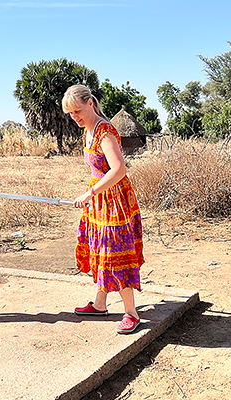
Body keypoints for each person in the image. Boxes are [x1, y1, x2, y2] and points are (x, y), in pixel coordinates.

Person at [61, 84, 144, 334]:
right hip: (98, 200)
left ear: (90, 103)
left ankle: (131, 313)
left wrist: (90, 193)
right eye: (71, 114)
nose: (75, 117)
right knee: (98, 249)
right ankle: (100, 304)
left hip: (114, 201)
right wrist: (92, 194)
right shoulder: (88, 131)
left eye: (77, 111)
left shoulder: (104, 131)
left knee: (115, 253)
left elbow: (119, 169)